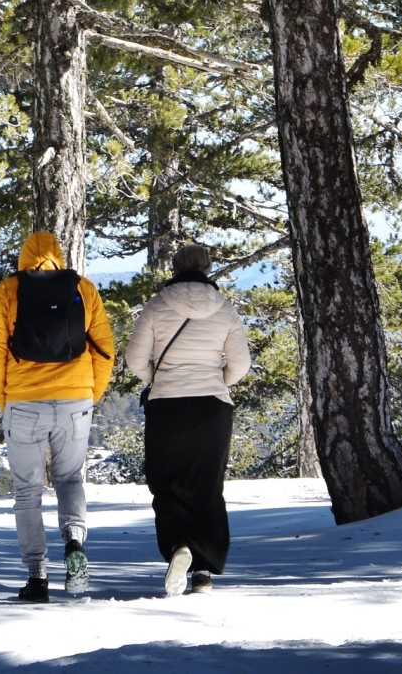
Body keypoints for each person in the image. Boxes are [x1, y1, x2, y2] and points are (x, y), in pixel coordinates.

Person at [0, 231, 115, 602]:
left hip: (24, 401)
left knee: (27, 492)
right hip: (75, 400)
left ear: (23, 257)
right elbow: (104, 350)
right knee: (70, 479)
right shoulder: (83, 288)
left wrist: (5, 401)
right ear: (59, 255)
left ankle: (37, 576)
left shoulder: (9, 291)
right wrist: (88, 394)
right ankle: (74, 541)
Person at [125, 243, 251, 596]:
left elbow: (135, 359)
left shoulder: (157, 306)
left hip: (167, 406)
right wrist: (215, 382)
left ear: (175, 268)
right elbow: (240, 365)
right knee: (208, 487)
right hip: (211, 407)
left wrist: (159, 379)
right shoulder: (224, 309)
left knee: (168, 484)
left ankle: (178, 545)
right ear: (207, 267)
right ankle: (203, 572)